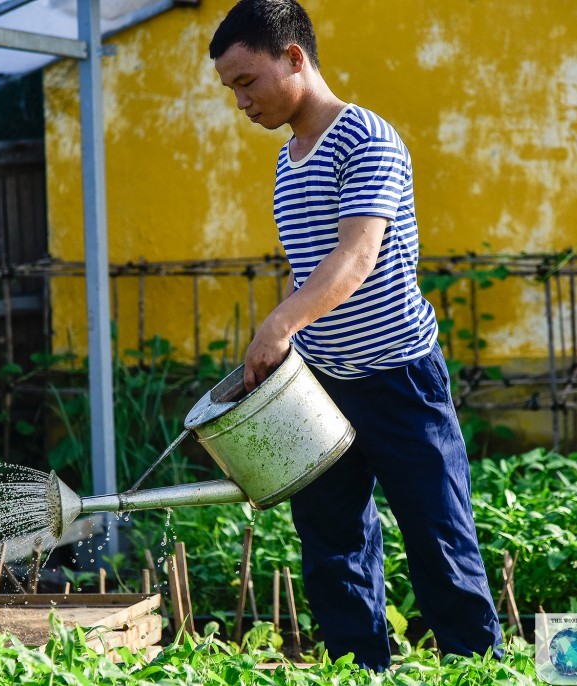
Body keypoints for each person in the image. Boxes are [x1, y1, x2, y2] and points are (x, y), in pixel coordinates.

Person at [209, 0, 504, 671]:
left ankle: (480, 673)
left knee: (439, 540)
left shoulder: (365, 137)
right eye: (231, 90)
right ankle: (360, 672)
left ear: (293, 58)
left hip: (400, 377)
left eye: (247, 82)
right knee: (331, 547)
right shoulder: (290, 161)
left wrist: (278, 323)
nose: (241, 103)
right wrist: (285, 346)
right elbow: (309, 272)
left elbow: (356, 258)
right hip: (320, 386)